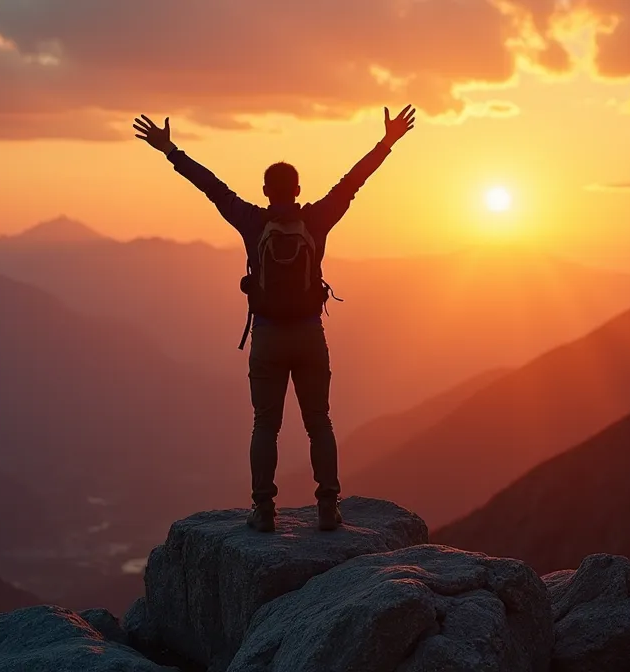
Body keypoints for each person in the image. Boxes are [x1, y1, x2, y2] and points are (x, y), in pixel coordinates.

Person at [133, 104, 417, 532]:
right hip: (308, 335)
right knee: (318, 421)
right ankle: (327, 506)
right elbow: (354, 181)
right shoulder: (317, 219)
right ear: (298, 188)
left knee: (265, 423)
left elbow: (211, 186)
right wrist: (388, 140)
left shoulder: (251, 220)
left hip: (266, 337)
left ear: (266, 191)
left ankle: (263, 510)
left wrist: (170, 150)